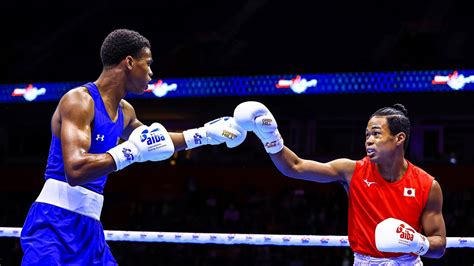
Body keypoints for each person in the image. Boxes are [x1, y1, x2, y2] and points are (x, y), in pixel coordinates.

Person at [20, 29, 246, 265]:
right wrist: (130, 152)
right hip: (53, 225)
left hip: (90, 228)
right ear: (129, 62)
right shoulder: (79, 101)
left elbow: (154, 141)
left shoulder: (125, 111)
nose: (151, 72)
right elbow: (75, 170)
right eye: (147, 63)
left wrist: (204, 135)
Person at [234, 101, 446, 265]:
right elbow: (295, 167)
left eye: (376, 134)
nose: (369, 140)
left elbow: (439, 246)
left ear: (399, 138)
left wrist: (418, 242)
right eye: (367, 135)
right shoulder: (351, 171)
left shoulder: (428, 185)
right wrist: (270, 138)